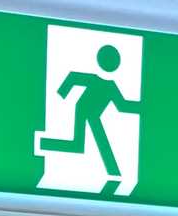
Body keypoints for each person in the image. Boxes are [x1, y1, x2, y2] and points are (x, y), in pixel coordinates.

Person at [37, 44, 134, 182]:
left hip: (93, 114)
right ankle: (44, 143)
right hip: (83, 110)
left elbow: (123, 106)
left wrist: (144, 106)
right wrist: (61, 93)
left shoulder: (111, 86)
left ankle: (45, 143)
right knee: (78, 143)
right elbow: (73, 78)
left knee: (79, 143)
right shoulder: (96, 80)